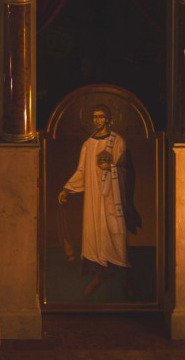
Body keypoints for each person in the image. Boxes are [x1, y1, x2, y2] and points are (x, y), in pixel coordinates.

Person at [58, 104, 140, 297]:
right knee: (95, 236)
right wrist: (67, 188)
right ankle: (97, 275)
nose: (98, 120)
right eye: (95, 117)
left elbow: (125, 168)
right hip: (94, 197)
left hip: (113, 195)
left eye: (101, 116)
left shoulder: (117, 141)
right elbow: (81, 171)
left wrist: (111, 167)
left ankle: (124, 278)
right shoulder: (88, 144)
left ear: (108, 119)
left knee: (116, 234)